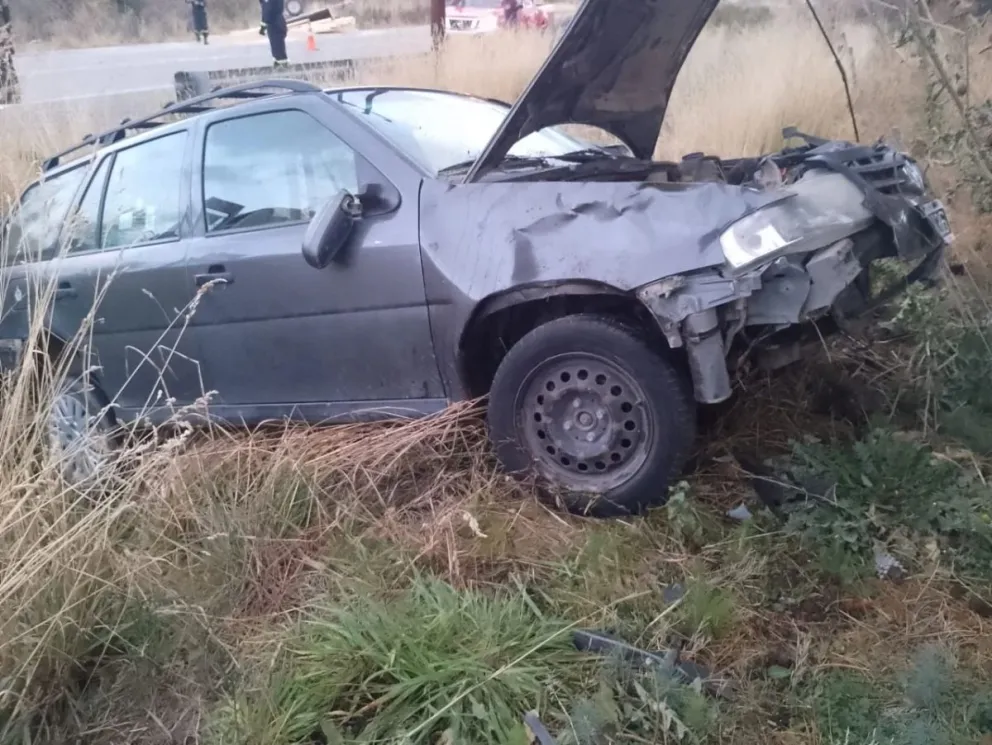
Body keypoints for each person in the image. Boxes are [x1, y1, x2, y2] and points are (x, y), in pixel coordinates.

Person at [259, 0, 288, 67]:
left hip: (274, 24)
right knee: (279, 45)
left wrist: (263, 27)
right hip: (279, 22)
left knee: (276, 45)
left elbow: (267, 12)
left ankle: (281, 64)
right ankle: (282, 62)